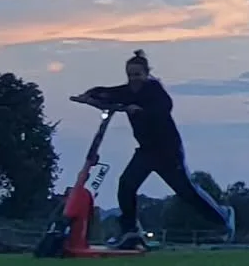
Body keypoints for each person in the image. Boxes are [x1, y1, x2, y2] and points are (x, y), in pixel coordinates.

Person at [70, 49, 235, 249]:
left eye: (137, 74)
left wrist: (141, 111)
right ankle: (130, 230)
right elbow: (109, 92)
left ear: (146, 74)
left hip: (168, 151)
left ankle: (223, 217)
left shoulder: (155, 91)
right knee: (126, 185)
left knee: (187, 192)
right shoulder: (128, 92)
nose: (134, 79)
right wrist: (88, 96)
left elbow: (163, 107)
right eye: (130, 75)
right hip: (146, 151)